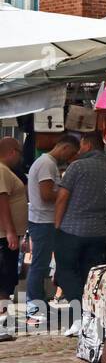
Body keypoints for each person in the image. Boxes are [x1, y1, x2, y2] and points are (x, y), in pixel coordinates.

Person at [53, 132, 106, 334]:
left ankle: (79, 317)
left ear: (87, 145)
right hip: (98, 231)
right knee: (90, 276)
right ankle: (90, 318)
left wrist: (57, 224)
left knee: (65, 272)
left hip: (72, 229)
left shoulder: (77, 166)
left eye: (81, 146)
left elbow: (62, 197)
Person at [24, 135, 80, 325]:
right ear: (64, 147)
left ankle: (39, 304)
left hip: (43, 221)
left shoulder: (47, 163)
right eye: (70, 153)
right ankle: (33, 307)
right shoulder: (47, 164)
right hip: (42, 222)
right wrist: (66, 195)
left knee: (42, 264)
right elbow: (47, 194)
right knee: (39, 265)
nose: (69, 158)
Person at [0, 137, 28, 334]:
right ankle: (2, 323)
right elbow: (2, 201)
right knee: (4, 278)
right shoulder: (2, 170)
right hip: (3, 235)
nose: (20, 157)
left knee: (6, 278)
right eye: (19, 152)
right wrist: (10, 231)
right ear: (12, 151)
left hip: (6, 234)